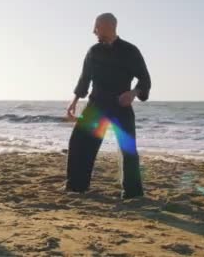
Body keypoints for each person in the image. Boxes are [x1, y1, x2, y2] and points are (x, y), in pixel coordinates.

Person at [65, 13, 151, 199]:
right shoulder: (93, 51)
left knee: (128, 151)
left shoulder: (130, 51)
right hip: (96, 106)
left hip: (121, 106)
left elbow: (145, 79)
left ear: (109, 26)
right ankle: (76, 187)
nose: (94, 31)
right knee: (79, 144)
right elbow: (84, 78)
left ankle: (132, 194)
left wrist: (133, 93)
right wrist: (73, 102)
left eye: (97, 27)